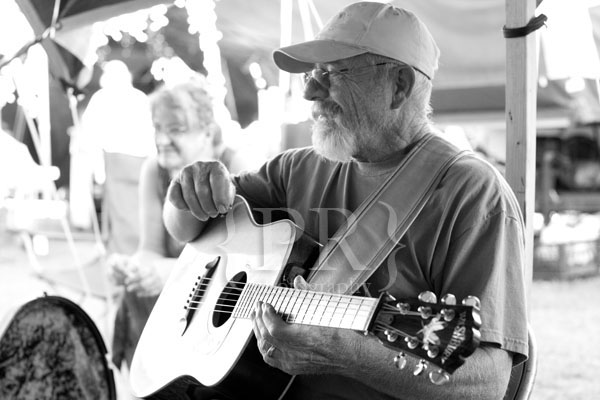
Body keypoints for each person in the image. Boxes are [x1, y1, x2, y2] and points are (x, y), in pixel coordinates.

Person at [163, 2, 529, 399]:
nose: (309, 91)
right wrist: (185, 193)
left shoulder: (472, 195)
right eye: (311, 74)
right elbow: (188, 229)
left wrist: (348, 355)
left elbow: (488, 385)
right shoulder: (296, 169)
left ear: (399, 86)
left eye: (332, 73)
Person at [108, 78, 255, 372]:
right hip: (177, 302)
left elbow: (252, 266)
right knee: (134, 291)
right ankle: (150, 381)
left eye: (176, 129)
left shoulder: (240, 167)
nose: (162, 140)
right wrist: (134, 268)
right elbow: (149, 249)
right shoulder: (154, 170)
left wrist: (171, 273)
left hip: (226, 307)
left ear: (207, 132)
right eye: (157, 128)